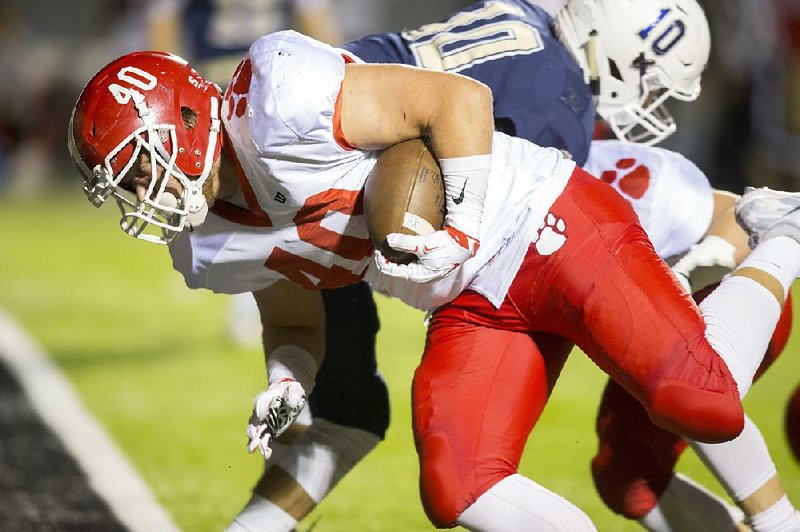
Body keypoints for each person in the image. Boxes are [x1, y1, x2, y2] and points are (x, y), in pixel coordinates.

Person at [68, 24, 800, 530]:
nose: (140, 190)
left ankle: (783, 236)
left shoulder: (279, 99)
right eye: (122, 181)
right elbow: (294, 320)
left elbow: (460, 100)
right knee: (458, 486)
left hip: (538, 217)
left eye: (139, 164)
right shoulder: (208, 244)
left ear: (190, 118)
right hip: (471, 297)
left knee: (701, 401)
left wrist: (464, 226)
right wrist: (288, 381)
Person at [583, 141, 800, 531]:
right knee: (628, 479)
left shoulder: (598, 161)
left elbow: (740, 215)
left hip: (725, 300)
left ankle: (780, 523)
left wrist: (688, 271)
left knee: (694, 390)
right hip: (675, 321)